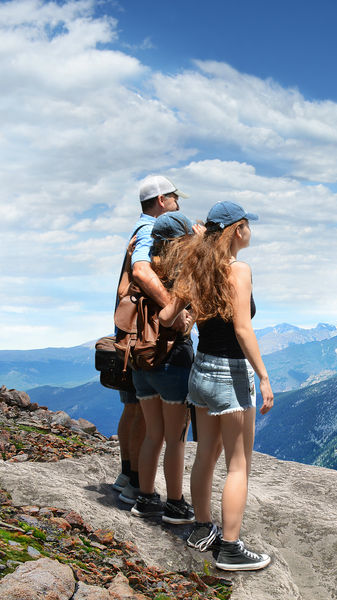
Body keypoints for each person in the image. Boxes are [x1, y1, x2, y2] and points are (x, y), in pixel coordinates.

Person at [159, 201, 274, 572]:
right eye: (247, 226)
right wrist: (264, 376)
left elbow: (165, 316)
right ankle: (230, 547)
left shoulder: (195, 268)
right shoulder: (239, 270)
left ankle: (201, 528)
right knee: (238, 465)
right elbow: (242, 327)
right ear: (237, 229)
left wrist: (190, 313)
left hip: (201, 370)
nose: (250, 232)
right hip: (231, 374)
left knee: (205, 454)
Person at [115, 175, 189, 505]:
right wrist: (174, 309)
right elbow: (143, 272)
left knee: (136, 409)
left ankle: (130, 479)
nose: (177, 202)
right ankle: (145, 489)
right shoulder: (149, 230)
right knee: (159, 426)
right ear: (161, 200)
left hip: (132, 336)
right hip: (156, 341)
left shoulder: (137, 230)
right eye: (174, 197)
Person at [128, 212, 197, 524]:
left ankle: (144, 498)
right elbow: (182, 323)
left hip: (142, 359)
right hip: (173, 360)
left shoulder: (143, 269)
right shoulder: (180, 273)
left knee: (152, 434)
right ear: (180, 241)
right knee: (175, 439)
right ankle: (174, 503)